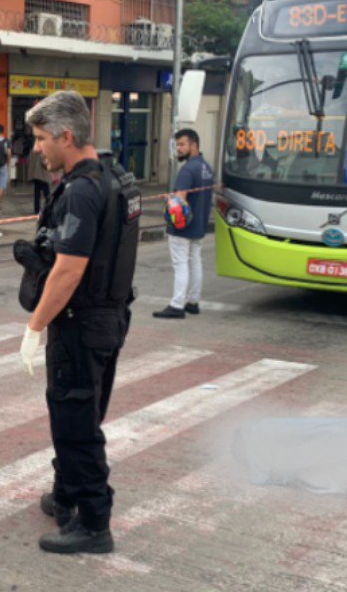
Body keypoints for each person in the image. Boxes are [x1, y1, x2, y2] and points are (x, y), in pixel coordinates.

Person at [18, 91, 139, 555]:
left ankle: (92, 521)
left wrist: (34, 327)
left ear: (66, 136)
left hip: (80, 321)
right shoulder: (113, 178)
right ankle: (67, 493)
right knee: (82, 411)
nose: (37, 148)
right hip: (106, 318)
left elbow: (69, 270)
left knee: (75, 421)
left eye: (41, 138)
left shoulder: (83, 191)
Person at [154, 128, 215, 319]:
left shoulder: (188, 169)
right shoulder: (206, 167)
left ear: (194, 145)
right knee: (195, 261)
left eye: (182, 145)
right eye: (177, 145)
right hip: (199, 225)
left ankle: (177, 305)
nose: (178, 149)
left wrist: (169, 200)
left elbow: (179, 203)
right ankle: (193, 302)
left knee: (181, 264)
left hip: (183, 227)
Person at [27, 148, 53, 215]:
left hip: (35, 175)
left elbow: (29, 161)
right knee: (47, 194)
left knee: (37, 194)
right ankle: (50, 209)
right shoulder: (42, 151)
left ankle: (36, 210)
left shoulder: (33, 150)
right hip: (42, 175)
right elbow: (44, 163)